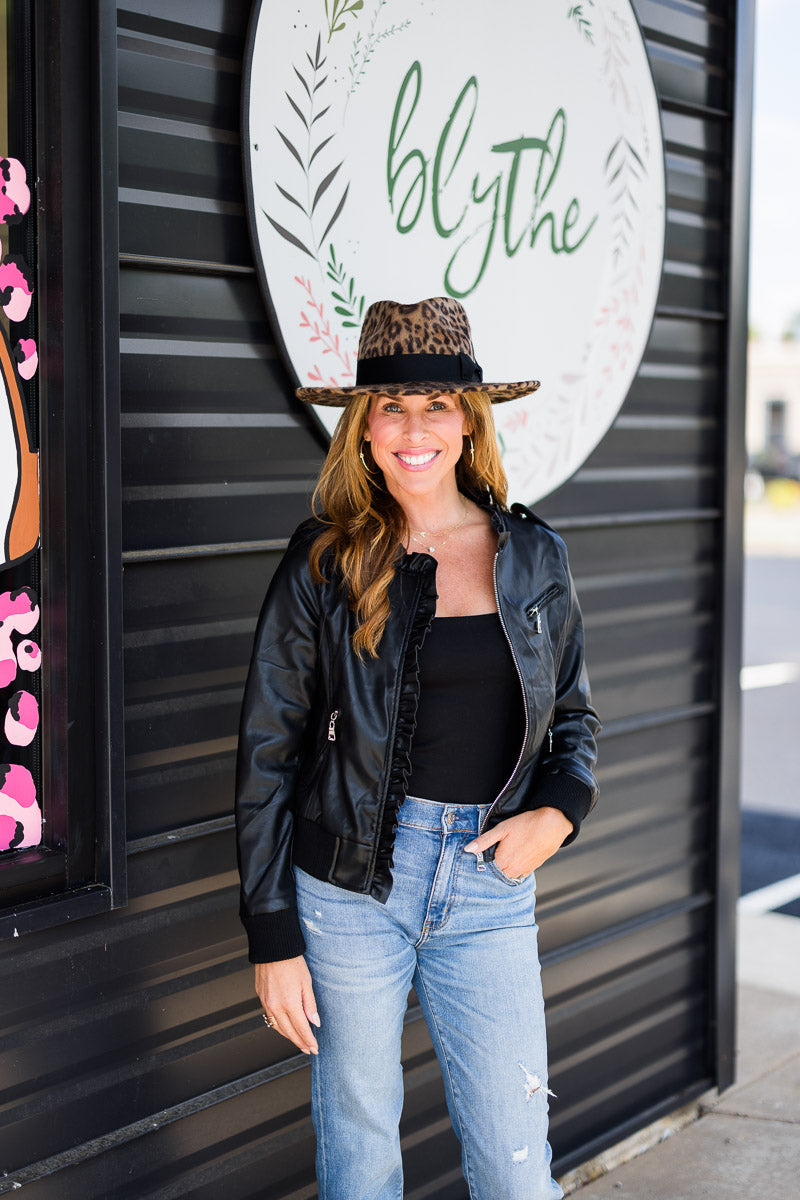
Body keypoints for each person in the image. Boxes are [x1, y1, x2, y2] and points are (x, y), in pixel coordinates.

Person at [235, 296, 600, 1200]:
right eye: (390, 407)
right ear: (361, 429)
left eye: (437, 405)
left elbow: (576, 720)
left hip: (489, 883)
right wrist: (271, 934)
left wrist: (556, 815)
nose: (413, 428)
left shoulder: (535, 556)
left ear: (469, 422)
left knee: (518, 1165)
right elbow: (266, 753)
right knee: (359, 1158)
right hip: (350, 890)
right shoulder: (325, 561)